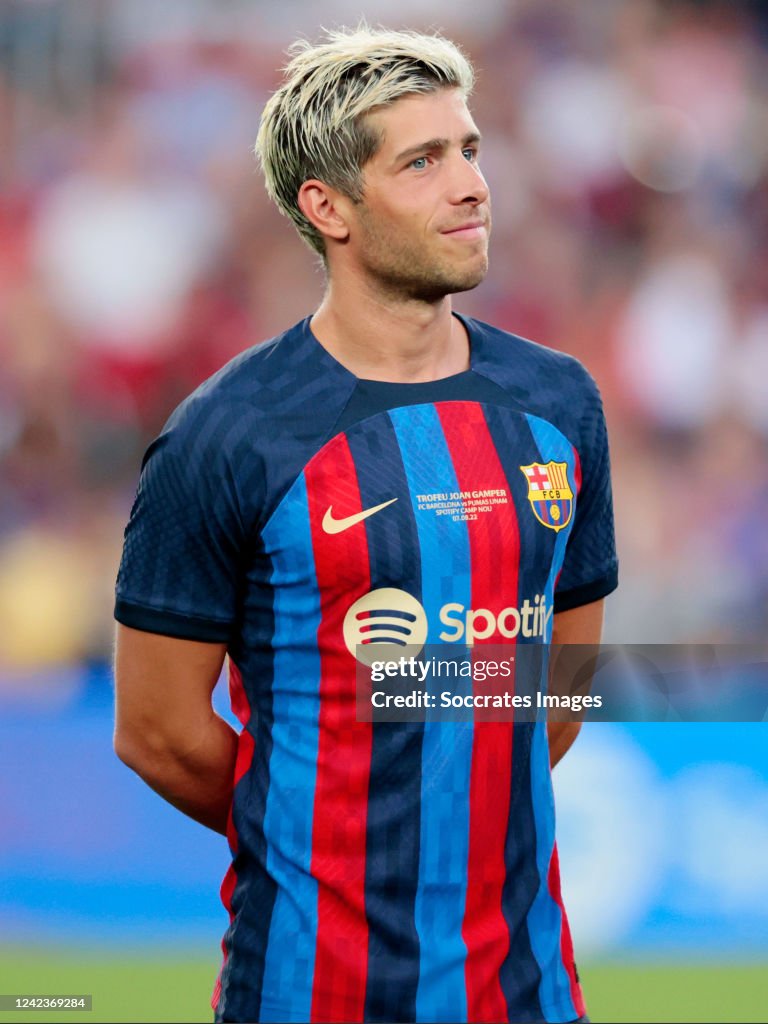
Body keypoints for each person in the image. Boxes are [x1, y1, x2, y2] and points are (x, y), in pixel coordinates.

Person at [113, 25, 617, 1024]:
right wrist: (321, 833)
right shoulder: (227, 435)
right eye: (422, 161)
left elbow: (562, 684)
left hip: (526, 992)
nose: (471, 185)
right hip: (305, 989)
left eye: (469, 150)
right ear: (328, 206)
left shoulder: (559, 403)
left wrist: (454, 800)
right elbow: (158, 731)